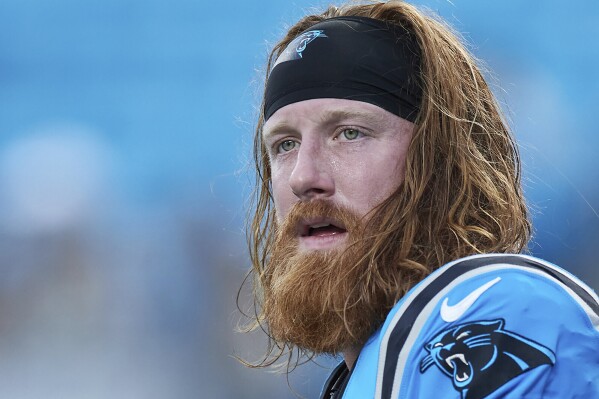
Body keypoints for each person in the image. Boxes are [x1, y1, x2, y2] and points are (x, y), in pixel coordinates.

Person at [243, 1, 599, 398]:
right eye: (285, 144)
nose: (303, 177)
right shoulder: (375, 361)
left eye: (350, 133)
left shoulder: (496, 309)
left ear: (441, 161)